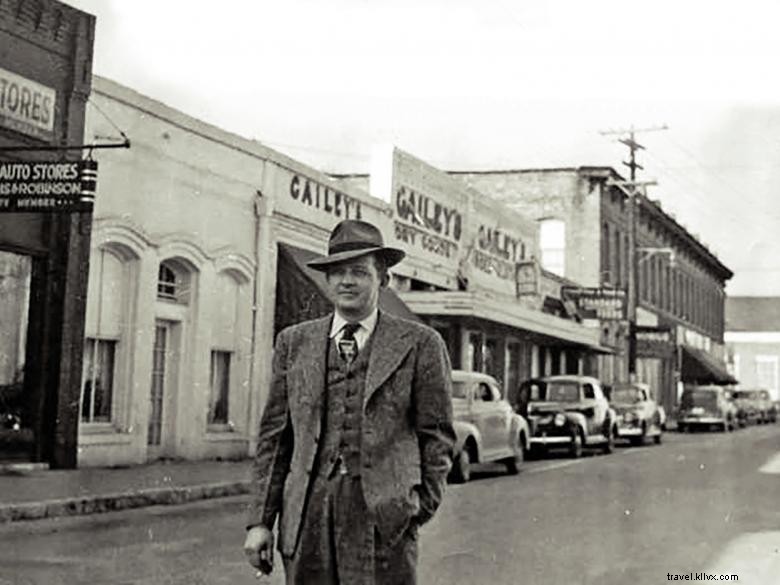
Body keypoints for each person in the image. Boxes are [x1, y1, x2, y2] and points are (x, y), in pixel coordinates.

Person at [244, 219, 456, 585]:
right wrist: (261, 521)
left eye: (359, 272)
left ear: (383, 279)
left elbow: (436, 436)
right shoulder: (294, 342)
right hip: (307, 514)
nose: (347, 281)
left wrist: (415, 508)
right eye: (338, 272)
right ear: (327, 280)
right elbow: (275, 439)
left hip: (383, 517)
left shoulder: (420, 344)